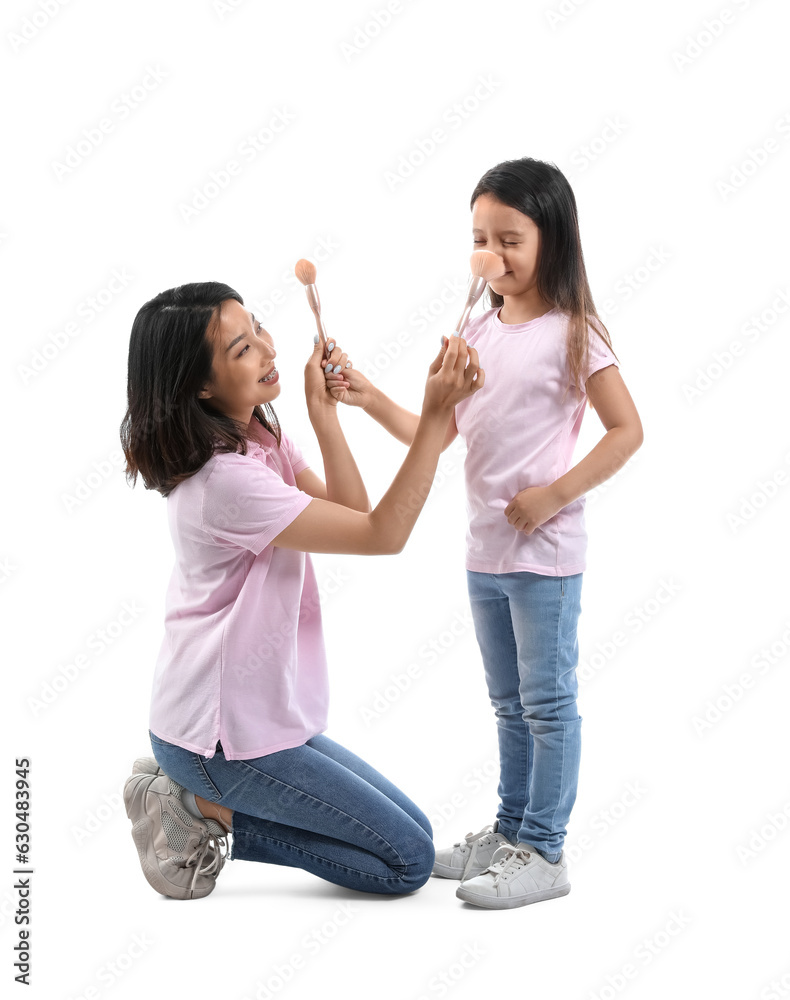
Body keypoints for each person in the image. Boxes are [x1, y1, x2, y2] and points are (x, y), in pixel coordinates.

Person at [329, 157, 644, 909]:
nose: (492, 256)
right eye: (480, 238)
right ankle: (509, 831)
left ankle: (545, 850)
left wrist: (555, 494)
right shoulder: (474, 327)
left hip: (545, 557)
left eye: (511, 239)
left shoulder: (576, 333)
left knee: (547, 705)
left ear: (553, 241)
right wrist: (368, 396)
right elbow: (437, 436)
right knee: (508, 705)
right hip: (483, 553)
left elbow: (627, 430)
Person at [120, 282, 483, 900]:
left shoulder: (256, 435)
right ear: (201, 386)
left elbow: (350, 508)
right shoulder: (224, 481)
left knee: (413, 831)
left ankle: (196, 797)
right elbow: (382, 533)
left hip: (258, 719)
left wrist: (324, 416)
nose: (266, 348)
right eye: (242, 348)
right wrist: (434, 415)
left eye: (258, 327)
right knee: (406, 863)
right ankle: (200, 810)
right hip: (215, 741)